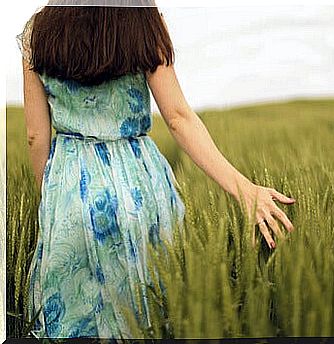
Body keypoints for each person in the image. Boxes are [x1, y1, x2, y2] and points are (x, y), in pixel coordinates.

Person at [17, 0, 296, 339]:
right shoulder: (143, 18)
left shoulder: (38, 30)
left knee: (75, 323)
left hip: (71, 185)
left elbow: (35, 135)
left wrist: (51, 200)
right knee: (149, 316)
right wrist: (244, 189)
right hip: (139, 186)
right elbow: (178, 117)